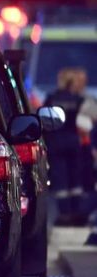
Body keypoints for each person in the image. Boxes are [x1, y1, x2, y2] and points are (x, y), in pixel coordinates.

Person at [44, 68, 88, 225]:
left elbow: (45, 121)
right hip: (73, 141)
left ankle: (64, 213)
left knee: (60, 178)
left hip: (56, 142)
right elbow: (85, 120)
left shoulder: (52, 98)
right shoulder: (77, 99)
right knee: (75, 177)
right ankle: (77, 212)